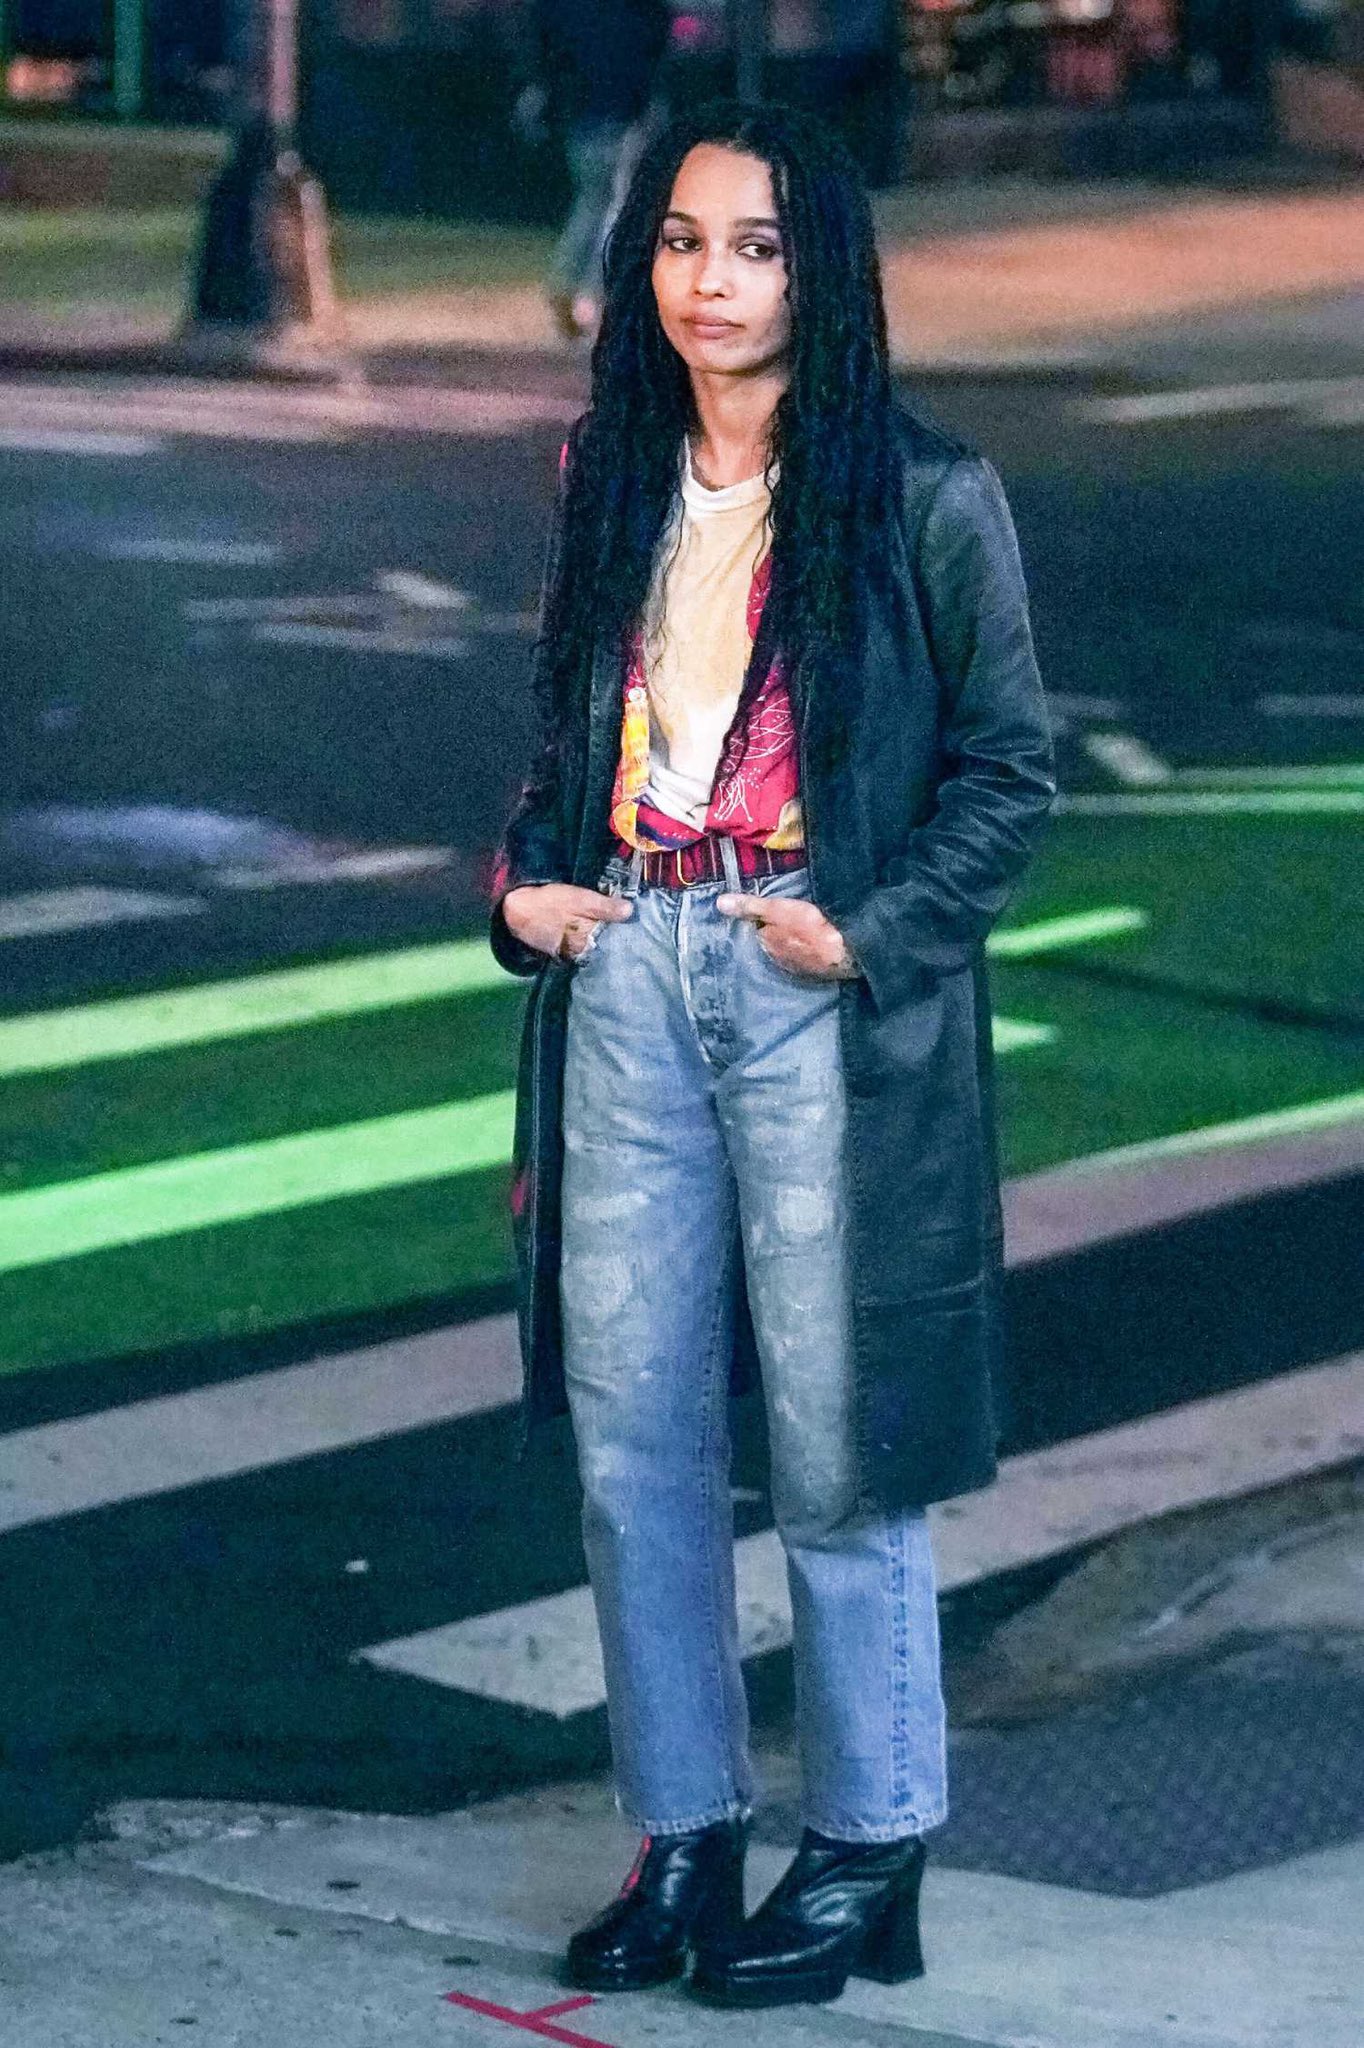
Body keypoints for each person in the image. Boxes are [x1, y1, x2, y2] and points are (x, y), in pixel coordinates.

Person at [489, 96, 1056, 2011]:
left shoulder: (920, 491)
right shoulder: (609, 470)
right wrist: (527, 887)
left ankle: (867, 1843)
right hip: (629, 965)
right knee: (633, 1436)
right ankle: (681, 1831)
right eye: (677, 241)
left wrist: (864, 931)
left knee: (836, 1437)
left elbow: (1007, 772)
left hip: (804, 966)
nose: (708, 282)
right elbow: (568, 729)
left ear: (823, 270)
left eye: (753, 245)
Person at [509, 0, 673, 342]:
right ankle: (591, 297)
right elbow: (654, 46)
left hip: (580, 116)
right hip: (623, 116)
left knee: (592, 203)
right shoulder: (635, 11)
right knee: (616, 208)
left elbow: (544, 49)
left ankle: (566, 283)